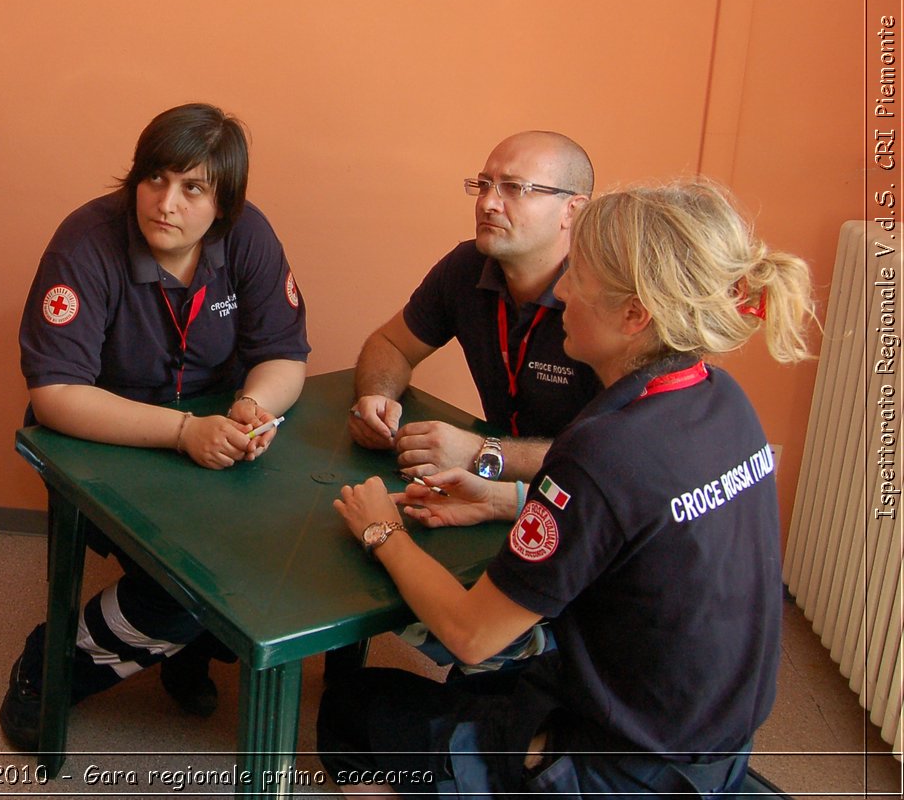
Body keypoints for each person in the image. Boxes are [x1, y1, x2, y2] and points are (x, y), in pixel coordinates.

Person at [318, 180, 815, 796]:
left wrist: (381, 530)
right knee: (491, 687)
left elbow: (472, 636)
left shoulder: (604, 447)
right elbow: (646, 523)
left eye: (576, 275)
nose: (561, 291)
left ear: (635, 314)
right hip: (712, 744)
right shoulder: (722, 397)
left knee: (353, 714)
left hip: (620, 769)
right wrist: (503, 499)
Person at [0, 103, 310, 751]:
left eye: (193, 188)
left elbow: (284, 355)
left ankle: (182, 649)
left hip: (214, 427)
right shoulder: (86, 240)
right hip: (105, 435)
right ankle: (48, 668)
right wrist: (179, 433)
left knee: (256, 563)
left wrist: (256, 404)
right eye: (155, 178)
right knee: (183, 588)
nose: (166, 203)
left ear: (223, 204)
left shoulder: (249, 234)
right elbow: (56, 395)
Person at [348, 131, 600, 484]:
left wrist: (482, 451)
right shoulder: (466, 266)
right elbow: (390, 346)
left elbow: (617, 452)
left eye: (514, 188)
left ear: (573, 210)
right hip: (494, 488)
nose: (487, 203)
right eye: (483, 185)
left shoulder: (607, 295)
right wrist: (377, 397)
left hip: (584, 503)